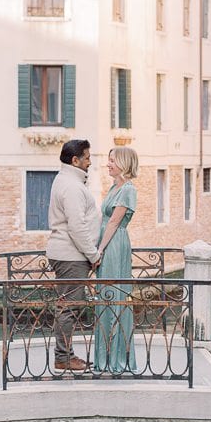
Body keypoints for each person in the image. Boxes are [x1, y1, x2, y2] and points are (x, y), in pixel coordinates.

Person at [47, 139, 101, 372]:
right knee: (68, 308)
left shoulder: (68, 181)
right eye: (87, 158)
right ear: (75, 160)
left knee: (67, 307)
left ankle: (66, 354)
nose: (90, 162)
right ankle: (63, 357)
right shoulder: (71, 186)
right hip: (72, 255)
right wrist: (93, 254)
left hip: (70, 253)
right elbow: (76, 226)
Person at [94, 146, 138, 372]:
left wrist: (99, 251)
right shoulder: (115, 187)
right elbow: (103, 220)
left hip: (114, 246)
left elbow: (113, 223)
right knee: (105, 297)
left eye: (112, 160)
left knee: (115, 296)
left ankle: (117, 358)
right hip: (106, 242)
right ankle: (104, 358)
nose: (108, 164)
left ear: (123, 162)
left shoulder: (128, 189)